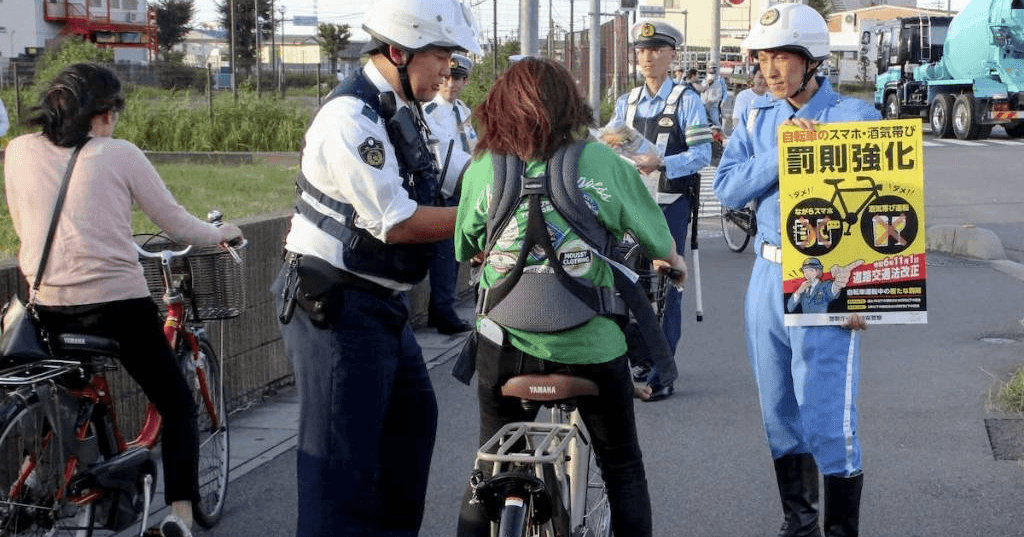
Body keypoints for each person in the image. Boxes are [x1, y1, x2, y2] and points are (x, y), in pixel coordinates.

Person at [3, 63, 243, 537]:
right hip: (116, 309)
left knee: (69, 394)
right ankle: (180, 515)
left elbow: (26, 223)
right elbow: (176, 224)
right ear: (103, 113)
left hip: (45, 306)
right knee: (176, 405)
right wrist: (221, 234)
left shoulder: (18, 151)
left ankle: (60, 477)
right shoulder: (118, 153)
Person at [269, 0, 480, 535]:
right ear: (398, 51)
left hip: (380, 304)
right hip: (337, 307)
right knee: (339, 464)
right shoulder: (351, 117)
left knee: (411, 425)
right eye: (441, 58)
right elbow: (397, 222)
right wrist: (485, 217)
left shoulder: (401, 108)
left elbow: (441, 185)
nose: (448, 72)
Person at [454, 56, 687, 537]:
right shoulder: (602, 162)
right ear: (570, 105)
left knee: (487, 468)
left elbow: (465, 246)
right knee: (622, 466)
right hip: (591, 350)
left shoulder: (483, 166)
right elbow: (660, 246)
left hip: (504, 347)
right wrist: (675, 266)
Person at [713, 4, 880, 537]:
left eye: (781, 56)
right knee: (778, 410)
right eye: (762, 58)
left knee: (828, 413)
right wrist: (781, 156)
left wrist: (869, 291)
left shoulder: (855, 119)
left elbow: (885, 204)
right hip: (765, 275)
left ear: (811, 59)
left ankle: (839, 531)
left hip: (828, 278)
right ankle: (799, 525)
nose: (769, 69)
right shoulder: (757, 117)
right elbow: (727, 188)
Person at [610, 20, 712, 401]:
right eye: (641, 50)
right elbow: (609, 148)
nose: (648, 57)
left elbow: (703, 153)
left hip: (669, 205)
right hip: (629, 207)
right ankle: (636, 357)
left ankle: (661, 370)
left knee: (668, 285)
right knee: (625, 283)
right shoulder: (626, 102)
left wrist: (663, 162)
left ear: (671, 55)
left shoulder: (687, 100)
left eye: (656, 50)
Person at [422, 53, 477, 335]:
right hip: (445, 190)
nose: (451, 84)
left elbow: (473, 145)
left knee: (456, 254)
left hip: (465, 187)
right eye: (447, 77)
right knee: (445, 255)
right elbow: (442, 155)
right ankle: (444, 313)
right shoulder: (430, 112)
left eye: (458, 78)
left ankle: (442, 309)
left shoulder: (463, 110)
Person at [731, 64, 768, 131]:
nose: (764, 81)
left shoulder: (776, 97)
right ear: (753, 77)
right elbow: (737, 120)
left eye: (767, 78)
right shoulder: (743, 96)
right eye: (761, 77)